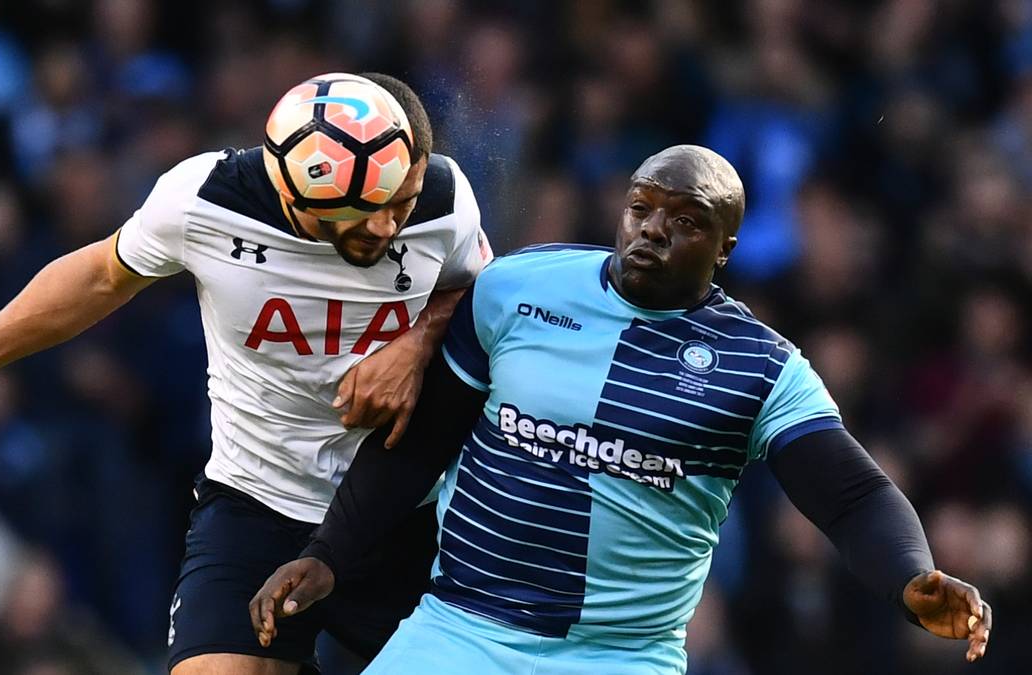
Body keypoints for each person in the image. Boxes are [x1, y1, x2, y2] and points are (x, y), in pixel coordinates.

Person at [250, 145, 993, 674]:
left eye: (686, 220)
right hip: (460, 628)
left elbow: (853, 493)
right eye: (641, 208)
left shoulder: (761, 366)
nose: (653, 230)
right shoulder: (517, 289)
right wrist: (328, 553)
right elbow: (419, 443)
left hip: (620, 654)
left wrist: (910, 574)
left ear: (726, 246)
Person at [0, 73, 492, 675]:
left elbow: (484, 296)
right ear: (294, 198)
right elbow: (99, 276)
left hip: (401, 513)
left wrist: (418, 340)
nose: (386, 226)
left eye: (395, 206)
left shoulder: (438, 197)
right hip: (258, 503)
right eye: (363, 215)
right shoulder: (206, 202)